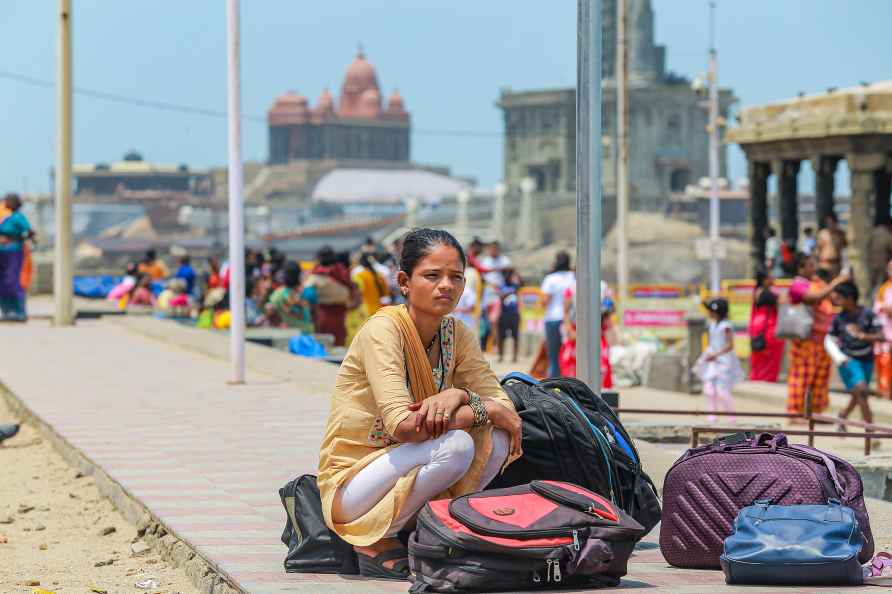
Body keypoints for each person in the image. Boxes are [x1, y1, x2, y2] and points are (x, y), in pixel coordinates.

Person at [317, 228, 521, 579]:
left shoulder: (457, 335)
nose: (447, 286)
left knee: (498, 440)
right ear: (404, 281)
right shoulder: (384, 331)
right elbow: (403, 426)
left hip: (410, 465)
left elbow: (502, 404)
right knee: (457, 446)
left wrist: (460, 395)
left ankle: (435, 530)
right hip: (354, 486)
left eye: (456, 277)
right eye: (432, 275)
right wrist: (487, 408)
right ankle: (376, 540)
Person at [786, 253, 850, 420]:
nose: (813, 269)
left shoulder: (816, 283)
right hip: (805, 340)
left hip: (822, 338)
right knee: (803, 376)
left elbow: (831, 297)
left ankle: (814, 413)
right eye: (810, 265)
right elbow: (814, 298)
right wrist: (836, 282)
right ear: (801, 268)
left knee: (819, 378)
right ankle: (795, 413)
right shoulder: (798, 285)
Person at [826, 281, 883, 428]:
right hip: (849, 360)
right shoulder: (838, 319)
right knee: (862, 390)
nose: (835, 301)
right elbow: (829, 339)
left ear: (850, 298)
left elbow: (881, 336)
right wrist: (838, 357)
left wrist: (862, 335)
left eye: (839, 298)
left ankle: (843, 416)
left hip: (867, 359)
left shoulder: (868, 314)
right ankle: (870, 432)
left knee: (858, 395)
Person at [696, 298, 743, 423]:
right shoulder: (712, 324)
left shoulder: (725, 326)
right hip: (712, 359)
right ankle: (712, 415)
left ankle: (731, 418)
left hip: (723, 361)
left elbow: (730, 345)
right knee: (709, 388)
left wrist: (716, 354)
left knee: (722, 391)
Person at [304, 246, 353, 346]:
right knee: (339, 343)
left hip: (324, 314)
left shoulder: (316, 276)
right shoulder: (342, 272)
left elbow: (308, 295)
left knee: (325, 344)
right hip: (342, 315)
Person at [540, 251, 575, 377]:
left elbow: (545, 301)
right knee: (571, 355)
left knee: (554, 357)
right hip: (571, 320)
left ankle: (554, 387)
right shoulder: (574, 277)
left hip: (553, 319)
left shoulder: (551, 279)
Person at [748, 269, 784, 382]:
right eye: (770, 277)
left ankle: (757, 379)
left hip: (757, 328)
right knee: (770, 359)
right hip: (768, 329)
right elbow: (782, 306)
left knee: (759, 358)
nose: (773, 279)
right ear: (764, 280)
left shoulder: (756, 292)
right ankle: (767, 380)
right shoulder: (768, 294)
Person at [0, 193, 32, 321]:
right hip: (2, 252)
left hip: (13, 251)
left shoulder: (18, 217)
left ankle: (18, 312)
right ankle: (7, 311)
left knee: (13, 280)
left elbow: (28, 232)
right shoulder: (7, 217)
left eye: (7, 201)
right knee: (3, 281)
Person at [265, 261, 314, 332]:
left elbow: (270, 314)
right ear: (299, 275)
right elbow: (315, 315)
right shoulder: (309, 292)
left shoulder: (277, 294)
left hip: (287, 334)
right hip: (307, 334)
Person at [873, 260, 892, 399]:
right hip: (884, 330)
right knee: (883, 359)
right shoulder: (884, 287)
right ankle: (883, 389)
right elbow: (877, 306)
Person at [353, 252, 391, 318]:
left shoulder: (358, 276)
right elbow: (386, 293)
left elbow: (357, 295)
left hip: (365, 312)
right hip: (379, 311)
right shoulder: (379, 275)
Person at [497, 269, 522, 364]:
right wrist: (510, 292)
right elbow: (501, 296)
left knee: (515, 335)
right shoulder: (502, 286)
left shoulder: (516, 286)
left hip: (514, 313)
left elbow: (519, 296)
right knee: (502, 336)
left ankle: (515, 356)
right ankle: (501, 355)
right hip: (504, 313)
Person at [816, 213, 847, 278]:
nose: (830, 225)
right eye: (828, 223)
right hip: (824, 264)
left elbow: (845, 247)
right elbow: (818, 249)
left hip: (836, 265)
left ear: (835, 223)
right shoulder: (822, 234)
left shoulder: (840, 234)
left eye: (832, 223)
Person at [869, 221, 892, 292]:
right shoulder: (887, 234)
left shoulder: (872, 232)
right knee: (880, 284)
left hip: (870, 262)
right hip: (882, 262)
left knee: (871, 283)